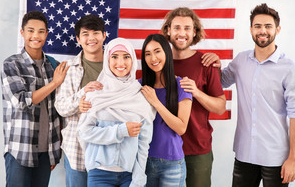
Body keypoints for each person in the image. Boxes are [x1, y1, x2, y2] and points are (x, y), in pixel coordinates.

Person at [205, 3, 295, 186]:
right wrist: (215, 65)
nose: (263, 31)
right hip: (244, 154)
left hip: (276, 158)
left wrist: (294, 159)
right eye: (258, 26)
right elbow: (220, 82)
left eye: (268, 26)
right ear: (251, 29)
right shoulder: (241, 60)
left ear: (277, 29)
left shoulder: (291, 68)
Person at [1, 11, 69, 186]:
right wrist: (54, 83)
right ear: (22, 32)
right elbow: (21, 101)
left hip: (47, 151)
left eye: (41, 31)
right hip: (20, 149)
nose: (35, 36)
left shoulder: (53, 65)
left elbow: (59, 109)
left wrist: (56, 149)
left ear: (46, 34)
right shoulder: (11, 64)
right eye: (31, 31)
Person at [160, 7, 226, 187]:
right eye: (177, 28)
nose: (182, 33)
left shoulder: (206, 63)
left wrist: (196, 92)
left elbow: (220, 107)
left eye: (187, 28)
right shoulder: (158, 62)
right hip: (163, 150)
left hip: (197, 150)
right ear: (168, 30)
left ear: (194, 32)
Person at [78, 37, 156, 187]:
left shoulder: (140, 97)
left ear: (133, 60)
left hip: (130, 175)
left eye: (126, 57)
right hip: (99, 173)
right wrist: (121, 131)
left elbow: (143, 143)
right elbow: (84, 133)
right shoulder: (95, 95)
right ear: (107, 61)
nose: (120, 63)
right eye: (114, 57)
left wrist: (138, 180)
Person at [54, 14, 106, 187]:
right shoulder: (69, 68)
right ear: (78, 39)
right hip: (76, 149)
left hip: (108, 150)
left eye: (96, 32)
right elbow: (61, 107)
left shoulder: (116, 65)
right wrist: (79, 103)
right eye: (85, 34)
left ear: (104, 35)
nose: (91, 38)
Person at [140, 34, 193, 187]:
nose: (153, 58)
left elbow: (181, 127)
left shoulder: (181, 85)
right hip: (143, 161)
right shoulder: (140, 86)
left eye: (157, 51)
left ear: (166, 53)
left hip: (172, 164)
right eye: (148, 54)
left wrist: (156, 102)